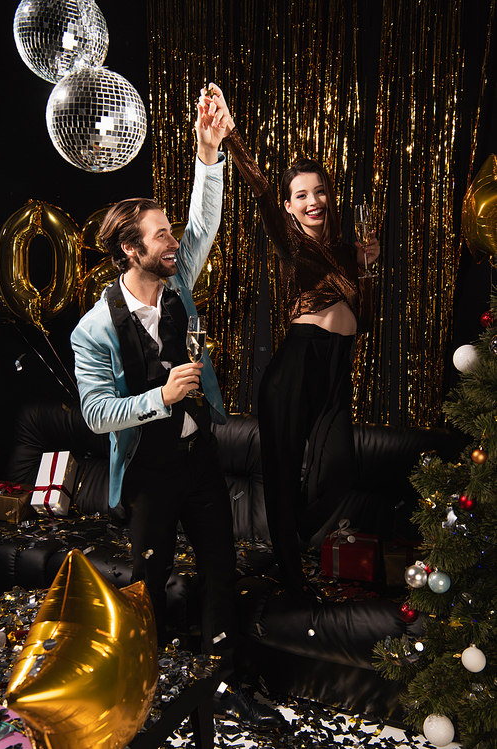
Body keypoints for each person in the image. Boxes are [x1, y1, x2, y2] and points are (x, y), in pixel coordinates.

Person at [71, 89, 285, 731]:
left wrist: (208, 150)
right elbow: (95, 414)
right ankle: (145, 692)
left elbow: (204, 222)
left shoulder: (178, 284)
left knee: (223, 576)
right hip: (148, 477)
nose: (175, 243)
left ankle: (228, 687)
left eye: (169, 233)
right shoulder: (94, 330)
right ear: (131, 251)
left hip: (199, 459)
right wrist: (159, 399)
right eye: (160, 236)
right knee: (148, 583)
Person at [198, 83, 380, 595]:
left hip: (336, 368)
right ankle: (292, 576)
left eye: (319, 191)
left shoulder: (348, 252)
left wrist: (365, 270)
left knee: (338, 472)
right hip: (294, 369)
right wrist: (230, 136)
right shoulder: (288, 239)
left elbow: (361, 316)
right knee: (281, 477)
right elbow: (257, 187)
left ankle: (286, 543)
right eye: (301, 194)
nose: (313, 200)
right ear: (289, 205)